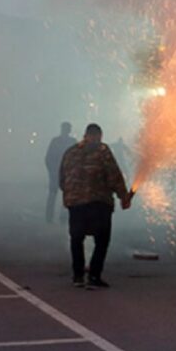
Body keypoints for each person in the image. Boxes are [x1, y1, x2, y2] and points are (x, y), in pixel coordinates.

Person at [59, 123, 132, 289]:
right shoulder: (102, 151)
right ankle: (94, 275)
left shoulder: (70, 152)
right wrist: (124, 197)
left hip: (75, 203)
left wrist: (71, 194)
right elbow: (114, 176)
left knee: (76, 239)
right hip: (98, 203)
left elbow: (62, 179)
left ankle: (78, 276)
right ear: (98, 136)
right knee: (102, 239)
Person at [44, 122, 77, 223]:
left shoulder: (56, 141)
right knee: (63, 196)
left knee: (54, 196)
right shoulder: (72, 142)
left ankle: (50, 217)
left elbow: (48, 158)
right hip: (64, 173)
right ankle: (60, 217)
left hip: (60, 173)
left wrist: (51, 171)